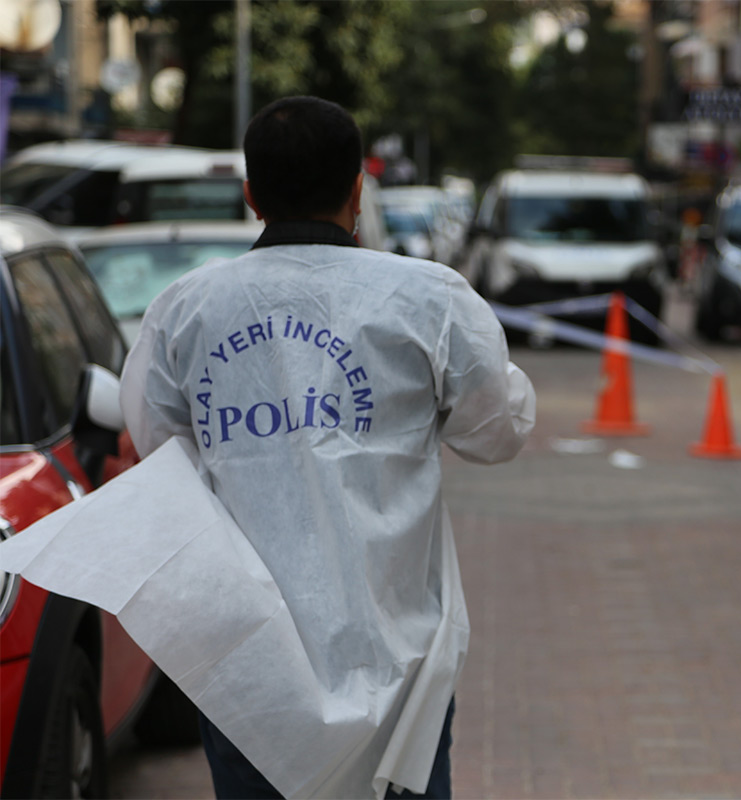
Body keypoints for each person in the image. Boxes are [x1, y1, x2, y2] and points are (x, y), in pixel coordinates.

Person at [119, 96, 535, 799]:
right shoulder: (428, 299)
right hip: (401, 665)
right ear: (357, 190)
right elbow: (497, 433)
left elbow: (158, 447)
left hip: (251, 670)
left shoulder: (185, 310)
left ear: (251, 196)